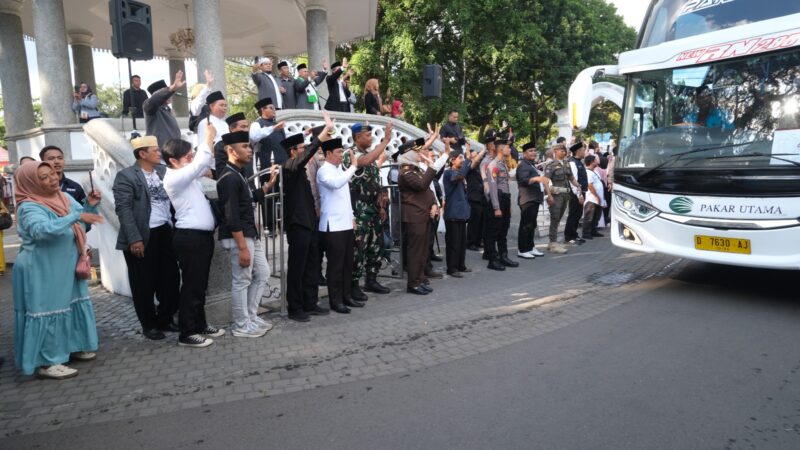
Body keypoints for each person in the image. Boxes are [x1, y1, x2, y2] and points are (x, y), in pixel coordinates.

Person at [12, 161, 103, 379]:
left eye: (52, 174)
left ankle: (72, 346)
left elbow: (79, 226)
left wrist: (89, 206)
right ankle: (47, 362)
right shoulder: (29, 206)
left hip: (66, 265)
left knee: (69, 305)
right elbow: (41, 231)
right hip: (41, 267)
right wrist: (75, 216)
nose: (52, 179)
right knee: (47, 309)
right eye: (44, 177)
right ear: (31, 182)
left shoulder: (64, 197)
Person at [113, 135, 180, 341]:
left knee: (170, 279)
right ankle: (149, 325)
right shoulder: (126, 176)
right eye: (155, 150)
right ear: (142, 154)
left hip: (165, 231)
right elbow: (123, 210)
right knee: (143, 284)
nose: (160, 153)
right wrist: (135, 239)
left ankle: (166, 318)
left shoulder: (163, 171)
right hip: (142, 236)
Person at [162, 127, 225, 348]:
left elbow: (207, 174)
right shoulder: (174, 178)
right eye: (187, 157)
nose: (192, 160)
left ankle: (199, 323)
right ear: (173, 160)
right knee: (192, 286)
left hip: (202, 237)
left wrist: (206, 172)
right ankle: (187, 332)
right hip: (190, 238)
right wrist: (208, 138)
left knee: (200, 285)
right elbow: (200, 163)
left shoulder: (189, 176)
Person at [217, 131, 277, 338]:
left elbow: (249, 199)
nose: (249, 150)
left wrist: (269, 185)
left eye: (249, 146)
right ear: (231, 151)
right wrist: (242, 247)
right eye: (245, 146)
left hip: (250, 234)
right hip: (239, 237)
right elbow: (231, 215)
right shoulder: (228, 178)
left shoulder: (238, 174)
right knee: (241, 281)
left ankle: (251, 317)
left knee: (262, 273)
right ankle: (241, 325)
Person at [280, 114, 335, 322]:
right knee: (298, 267)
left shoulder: (300, 170)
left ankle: (310, 302)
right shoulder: (289, 167)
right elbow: (308, 154)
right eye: (301, 148)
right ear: (293, 151)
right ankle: (295, 307)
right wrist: (321, 135)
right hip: (298, 226)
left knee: (312, 264)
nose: (305, 151)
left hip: (310, 223)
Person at [342, 122, 394, 301]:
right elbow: (363, 162)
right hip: (359, 209)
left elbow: (374, 182)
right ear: (357, 138)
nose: (370, 138)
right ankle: (354, 284)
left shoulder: (369, 156)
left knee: (376, 245)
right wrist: (385, 141)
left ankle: (371, 279)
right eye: (367, 135)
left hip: (373, 208)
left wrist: (381, 205)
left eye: (371, 135)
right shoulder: (350, 154)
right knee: (359, 248)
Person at [317, 138, 362, 313]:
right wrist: (353, 166)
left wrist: (352, 217)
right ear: (328, 154)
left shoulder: (340, 170)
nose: (340, 156)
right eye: (338, 153)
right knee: (335, 266)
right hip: (332, 225)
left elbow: (345, 198)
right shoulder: (323, 171)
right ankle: (335, 301)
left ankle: (346, 296)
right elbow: (336, 184)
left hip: (345, 223)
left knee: (347, 263)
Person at [398, 139, 448, 295]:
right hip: (414, 217)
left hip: (423, 215)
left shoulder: (415, 171)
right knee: (415, 252)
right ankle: (413, 284)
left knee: (423, 252)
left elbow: (429, 191)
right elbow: (421, 185)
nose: (420, 154)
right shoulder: (406, 173)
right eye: (417, 152)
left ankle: (420, 279)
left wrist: (433, 203)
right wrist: (431, 165)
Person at [442, 143, 477, 277]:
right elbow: (461, 175)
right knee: (453, 242)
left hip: (461, 213)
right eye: (460, 158)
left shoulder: (458, 173)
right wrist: (468, 158)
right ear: (452, 160)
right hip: (452, 213)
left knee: (462, 242)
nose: (462, 161)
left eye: (462, 159)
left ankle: (461, 265)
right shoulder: (448, 173)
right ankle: (452, 268)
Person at [483, 136, 518, 270]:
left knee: (503, 231)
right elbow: (492, 187)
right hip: (497, 199)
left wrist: (507, 206)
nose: (510, 149)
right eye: (508, 147)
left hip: (505, 199)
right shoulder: (493, 165)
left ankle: (503, 256)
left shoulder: (502, 164)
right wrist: (496, 207)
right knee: (493, 232)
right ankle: (492, 260)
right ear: (501, 149)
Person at [543, 144, 581, 254]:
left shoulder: (566, 163)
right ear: (555, 151)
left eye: (564, 151)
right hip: (556, 195)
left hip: (565, 195)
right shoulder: (551, 165)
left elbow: (571, 178)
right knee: (555, 218)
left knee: (559, 218)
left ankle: (553, 242)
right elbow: (545, 181)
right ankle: (553, 243)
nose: (563, 153)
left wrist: (578, 186)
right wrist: (549, 195)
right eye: (561, 151)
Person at [516, 142, 547, 259]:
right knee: (526, 225)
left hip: (534, 198)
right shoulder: (523, 165)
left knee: (532, 224)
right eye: (530, 151)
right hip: (527, 198)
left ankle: (530, 247)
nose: (533, 152)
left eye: (534, 150)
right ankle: (522, 249)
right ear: (524, 153)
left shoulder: (531, 164)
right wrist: (537, 178)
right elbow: (523, 180)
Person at [143, 72, 185, 154]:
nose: (169, 95)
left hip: (172, 153)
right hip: (159, 155)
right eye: (166, 93)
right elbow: (154, 100)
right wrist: (170, 89)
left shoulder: (167, 109)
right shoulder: (151, 107)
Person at [214, 112, 250, 179]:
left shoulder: (248, 144)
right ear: (232, 129)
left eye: (247, 127)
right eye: (243, 127)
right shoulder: (221, 146)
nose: (246, 130)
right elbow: (222, 175)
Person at [564, 142, 587, 245]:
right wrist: (579, 195)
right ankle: (569, 236)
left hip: (580, 192)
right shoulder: (572, 163)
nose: (584, 152)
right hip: (575, 194)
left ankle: (574, 234)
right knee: (573, 214)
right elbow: (573, 181)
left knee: (577, 215)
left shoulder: (579, 161)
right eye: (583, 150)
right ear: (578, 151)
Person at [581, 155, 605, 240]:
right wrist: (596, 196)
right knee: (589, 217)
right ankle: (586, 233)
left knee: (596, 216)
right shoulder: (587, 172)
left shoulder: (594, 171)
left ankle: (593, 231)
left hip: (597, 199)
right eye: (595, 160)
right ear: (591, 162)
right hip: (591, 199)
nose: (597, 162)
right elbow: (590, 185)